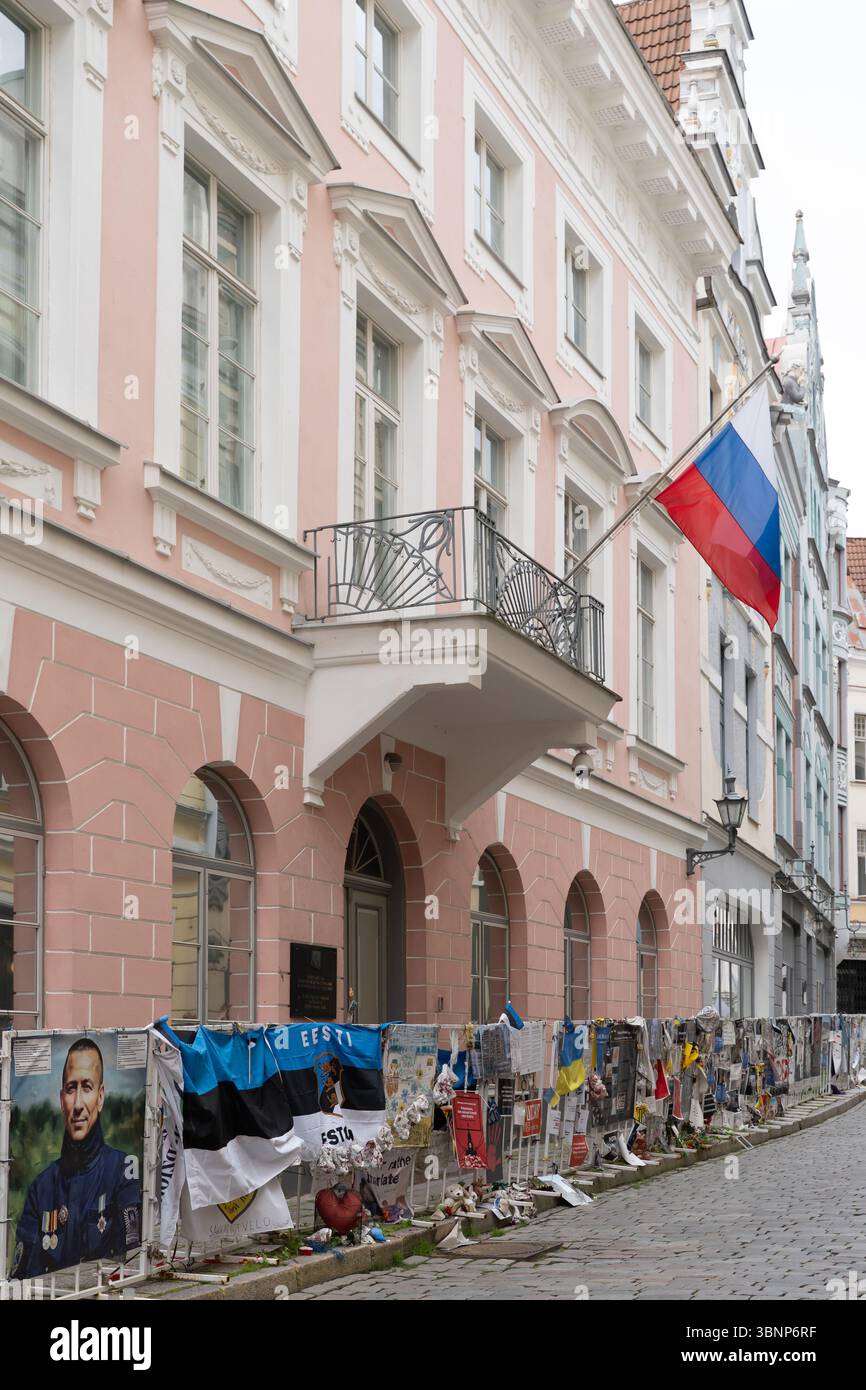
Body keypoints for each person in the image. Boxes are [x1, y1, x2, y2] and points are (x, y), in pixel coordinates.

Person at [10, 1038, 141, 1279]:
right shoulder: (41, 1189)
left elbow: (130, 1263)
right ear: (62, 1100)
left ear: (100, 1097)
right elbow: (23, 1279)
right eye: (71, 1088)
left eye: (87, 1087)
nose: (78, 1103)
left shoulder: (122, 1172)